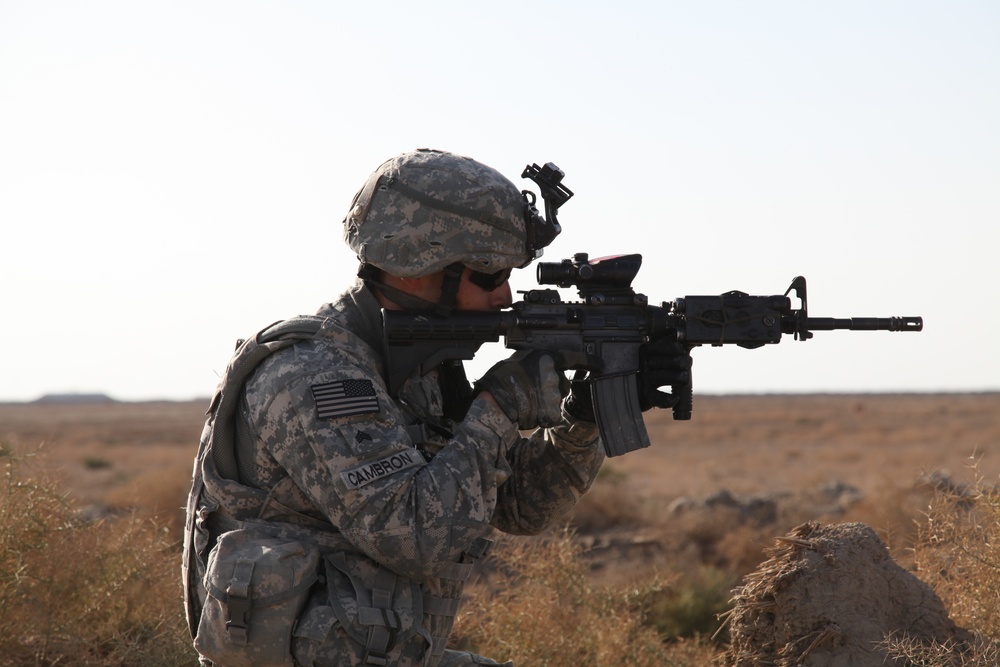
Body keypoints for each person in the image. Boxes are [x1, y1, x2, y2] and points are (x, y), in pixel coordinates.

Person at [182, 148, 690, 666]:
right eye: (490, 276)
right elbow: (415, 538)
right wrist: (501, 404)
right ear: (421, 265)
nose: (505, 295)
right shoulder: (315, 375)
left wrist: (585, 415)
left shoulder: (420, 373)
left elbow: (521, 507)